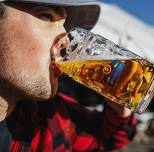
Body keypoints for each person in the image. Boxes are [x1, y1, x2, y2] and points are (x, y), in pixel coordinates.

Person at [0, 0, 136, 151]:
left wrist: (118, 111)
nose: (67, 42)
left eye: (64, 26)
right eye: (47, 16)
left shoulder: (50, 116)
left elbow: (108, 139)